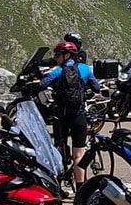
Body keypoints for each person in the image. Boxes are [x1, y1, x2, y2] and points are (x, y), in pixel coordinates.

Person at [37, 39, 101, 189]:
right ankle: (80, 189)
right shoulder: (85, 69)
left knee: (59, 150)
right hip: (78, 116)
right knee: (79, 154)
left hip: (61, 117)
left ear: (66, 56)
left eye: (58, 55)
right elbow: (97, 88)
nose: (56, 58)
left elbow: (41, 85)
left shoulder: (58, 71)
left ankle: (57, 185)